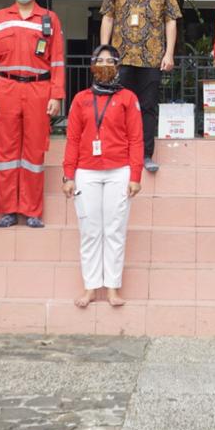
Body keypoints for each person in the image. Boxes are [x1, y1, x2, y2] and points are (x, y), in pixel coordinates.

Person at [0, 0, 66, 228]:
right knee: (6, 150)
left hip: (39, 90)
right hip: (6, 90)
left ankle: (31, 211)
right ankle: (7, 210)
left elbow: (57, 60)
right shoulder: (0, 18)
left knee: (34, 151)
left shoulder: (50, 19)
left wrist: (56, 96)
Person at [62, 44, 144, 308]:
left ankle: (112, 288)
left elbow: (136, 139)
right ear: (92, 66)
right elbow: (73, 139)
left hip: (119, 171)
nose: (105, 65)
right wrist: (68, 175)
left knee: (115, 230)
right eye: (101, 60)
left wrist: (135, 175)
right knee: (90, 231)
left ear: (118, 66)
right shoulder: (80, 99)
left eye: (110, 61)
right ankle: (90, 287)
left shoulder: (128, 98)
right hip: (86, 171)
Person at [99, 0, 181, 175]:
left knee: (147, 107)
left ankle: (145, 154)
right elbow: (107, 17)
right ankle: (118, 151)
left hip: (151, 57)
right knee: (117, 105)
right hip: (121, 56)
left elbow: (171, 21)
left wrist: (169, 53)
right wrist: (104, 51)